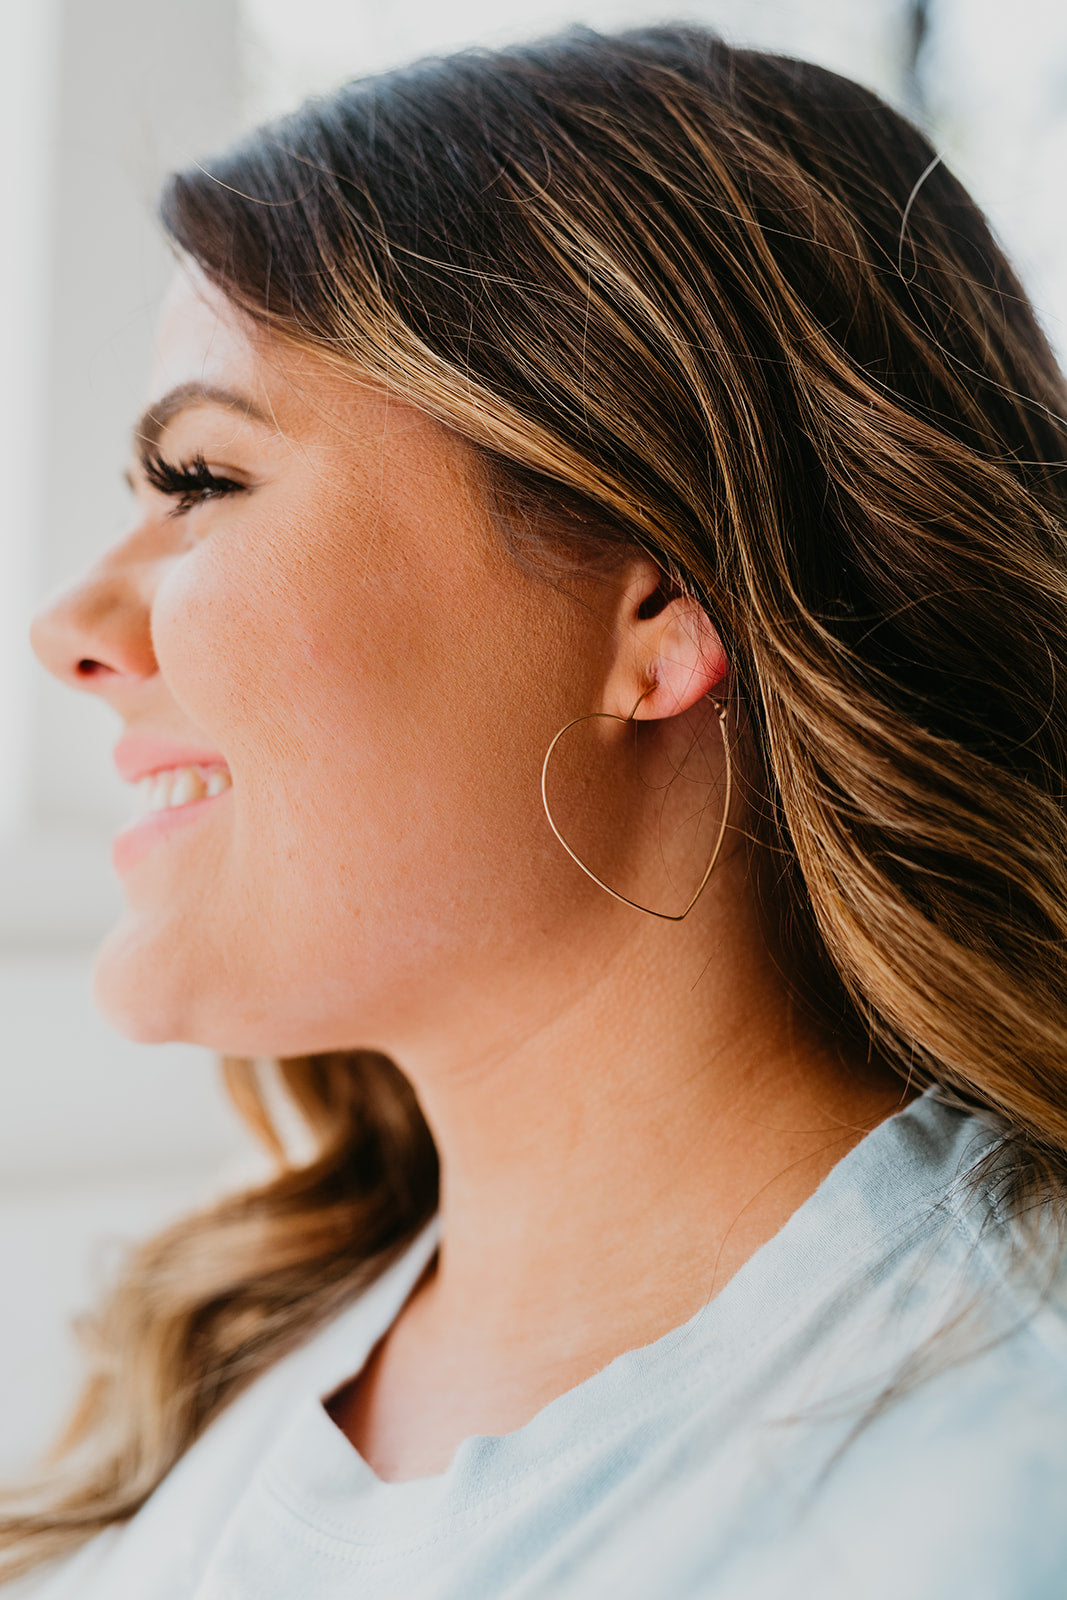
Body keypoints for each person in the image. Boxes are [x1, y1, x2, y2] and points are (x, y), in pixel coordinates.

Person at [5, 22, 1067, 1598]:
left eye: (207, 482)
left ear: (656, 598)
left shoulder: (986, 1482)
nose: (70, 625)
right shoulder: (237, 1362)